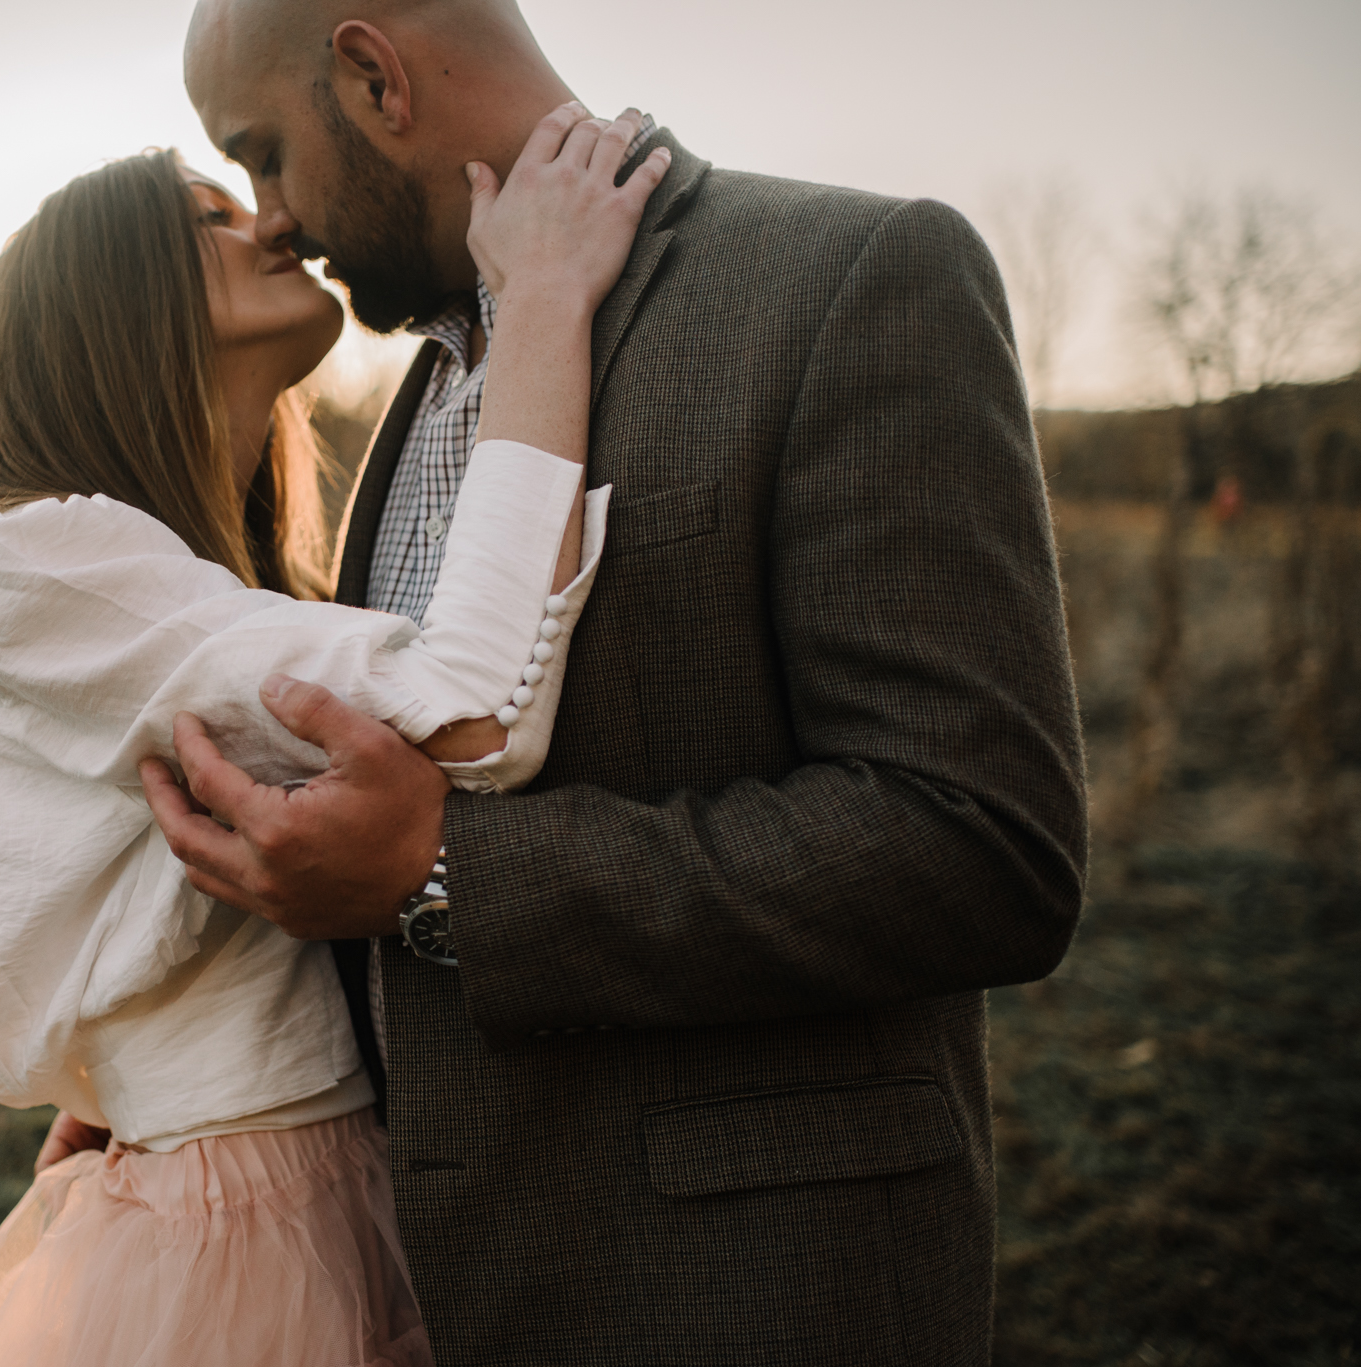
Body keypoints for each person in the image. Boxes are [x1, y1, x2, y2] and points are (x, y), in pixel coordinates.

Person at [109, 1, 1092, 1363]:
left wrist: (448, 876)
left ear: (373, 75)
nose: (271, 214)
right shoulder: (414, 393)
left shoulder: (849, 275)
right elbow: (372, 816)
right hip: (437, 1296)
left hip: (746, 1299)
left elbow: (982, 843)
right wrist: (181, 1075)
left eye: (263, 152)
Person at [0, 110, 670, 1366]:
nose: (270, 222)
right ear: (111, 301)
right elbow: (473, 708)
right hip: (235, 1229)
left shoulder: (193, 576)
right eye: (212, 211)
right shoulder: (41, 560)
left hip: (313, 1182)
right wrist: (546, 296)